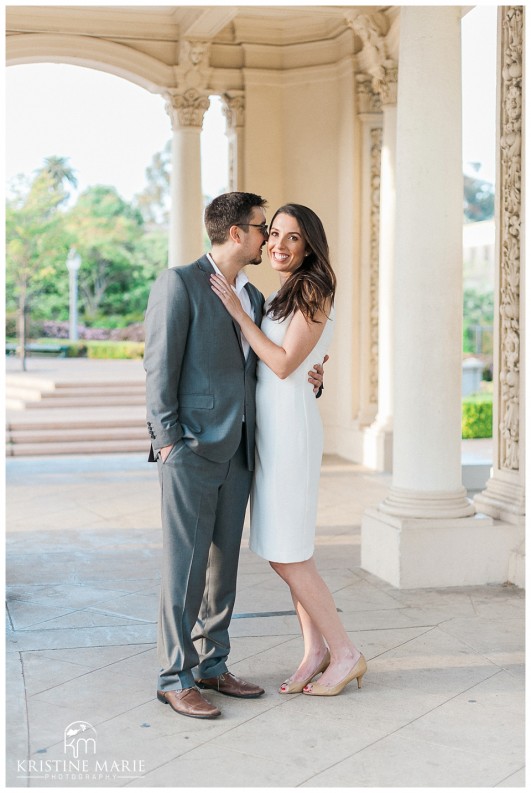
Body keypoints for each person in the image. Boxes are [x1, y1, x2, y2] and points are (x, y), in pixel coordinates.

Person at [144, 192, 324, 719]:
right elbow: (159, 368)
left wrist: (315, 376)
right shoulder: (178, 284)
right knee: (186, 566)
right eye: (262, 228)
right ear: (236, 233)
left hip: (243, 449)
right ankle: (174, 676)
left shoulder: (255, 298)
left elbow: (272, 364)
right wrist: (170, 440)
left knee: (224, 567)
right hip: (192, 449)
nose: (269, 237)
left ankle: (212, 664)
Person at [210, 203, 367, 697]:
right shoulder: (286, 291)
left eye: (292, 237)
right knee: (290, 551)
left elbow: (280, 364)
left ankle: (345, 653)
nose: (278, 244)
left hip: (291, 435)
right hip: (273, 431)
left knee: (289, 555)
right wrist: (313, 375)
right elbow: (299, 365)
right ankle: (315, 652)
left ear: (309, 244)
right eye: (273, 233)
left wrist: (237, 314)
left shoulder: (314, 289)